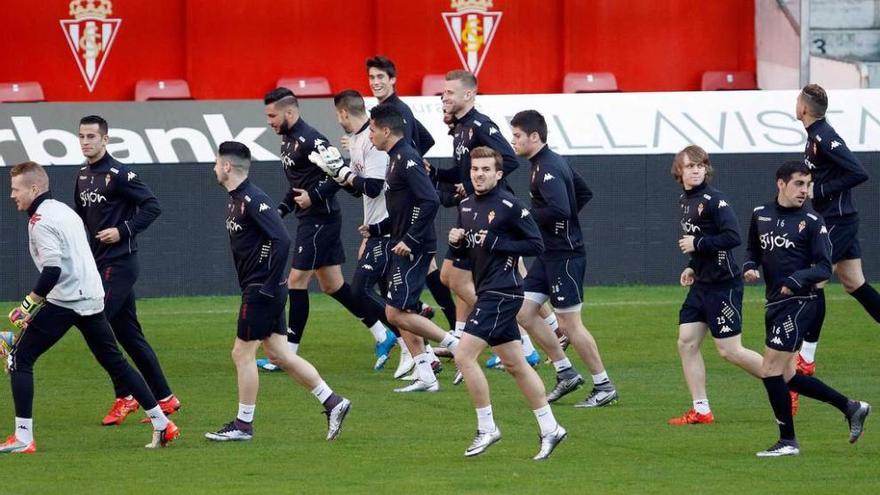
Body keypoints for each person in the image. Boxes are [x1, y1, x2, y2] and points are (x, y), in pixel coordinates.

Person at [2, 161, 178, 453]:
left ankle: (23, 438)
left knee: (20, 359)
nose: (12, 195)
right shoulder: (62, 210)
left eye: (15, 189)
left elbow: (52, 271)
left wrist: (27, 306)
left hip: (67, 299)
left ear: (33, 189)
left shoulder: (40, 222)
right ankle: (162, 424)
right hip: (92, 296)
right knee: (116, 362)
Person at [205, 142, 351, 442]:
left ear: (227, 167)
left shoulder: (252, 199)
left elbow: (281, 239)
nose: (214, 168)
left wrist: (268, 283)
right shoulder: (236, 199)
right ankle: (333, 401)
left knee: (241, 353)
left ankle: (243, 425)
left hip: (262, 290)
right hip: (262, 288)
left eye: (217, 163)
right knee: (280, 354)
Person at [743, 161, 870, 457]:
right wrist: (750, 267)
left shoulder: (813, 221)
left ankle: (788, 441)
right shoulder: (760, 215)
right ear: (781, 183)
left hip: (802, 304)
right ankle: (851, 407)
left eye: (808, 184)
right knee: (787, 375)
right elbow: (753, 250)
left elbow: (824, 267)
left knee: (769, 370)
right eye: (799, 184)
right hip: (775, 302)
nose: (805, 191)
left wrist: (796, 279)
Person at [449, 146, 567, 460]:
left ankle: (487, 428)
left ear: (499, 174)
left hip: (503, 291)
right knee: (515, 364)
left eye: (486, 169)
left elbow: (536, 244)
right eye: (475, 169)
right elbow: (468, 255)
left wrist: (498, 242)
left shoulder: (510, 206)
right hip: (487, 289)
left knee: (463, 356)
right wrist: (457, 245)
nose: (479, 174)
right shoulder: (465, 206)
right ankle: (551, 428)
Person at [263, 87, 389, 367]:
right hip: (312, 218)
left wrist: (314, 196)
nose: (270, 121)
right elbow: (297, 184)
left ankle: (288, 354)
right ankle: (382, 334)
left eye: (273, 115)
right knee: (333, 285)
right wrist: (280, 211)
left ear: (290, 112)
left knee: (296, 280)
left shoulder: (311, 138)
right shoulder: (287, 141)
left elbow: (340, 173)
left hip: (322, 218)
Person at [509, 110, 619, 407]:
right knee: (523, 312)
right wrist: (560, 225)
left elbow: (561, 209)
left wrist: (527, 216)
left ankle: (603, 385)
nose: (513, 141)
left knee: (570, 324)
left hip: (565, 256)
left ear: (535, 136)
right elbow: (582, 193)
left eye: (517, 136)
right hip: (550, 253)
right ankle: (565, 372)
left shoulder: (547, 167)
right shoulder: (549, 162)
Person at [75, 115, 179, 426]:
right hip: (98, 264)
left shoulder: (119, 174)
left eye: (92, 136)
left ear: (105, 140)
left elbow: (152, 206)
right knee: (130, 336)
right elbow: (82, 221)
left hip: (119, 263)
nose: (85, 142)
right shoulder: (82, 176)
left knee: (96, 326)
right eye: (81, 136)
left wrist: (123, 230)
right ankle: (165, 397)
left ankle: (126, 395)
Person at [350, 103, 460, 392]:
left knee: (395, 313)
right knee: (401, 309)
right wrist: (376, 230)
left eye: (372, 130)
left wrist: (409, 239)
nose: (369, 135)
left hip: (414, 248)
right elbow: (404, 208)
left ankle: (454, 344)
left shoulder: (407, 159)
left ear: (386, 131)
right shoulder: (394, 158)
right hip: (400, 243)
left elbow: (429, 201)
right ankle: (425, 372)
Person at [366, 55, 459, 357]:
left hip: (412, 220)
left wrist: (411, 166)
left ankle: (448, 339)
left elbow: (428, 196)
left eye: (382, 77)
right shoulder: (393, 129)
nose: (376, 82)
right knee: (425, 280)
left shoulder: (398, 114)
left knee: (401, 303)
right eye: (372, 77)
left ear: (393, 80)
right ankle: (433, 348)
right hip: (404, 215)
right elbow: (427, 138)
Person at [668, 145, 764, 425]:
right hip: (702, 284)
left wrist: (697, 243)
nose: (696, 170)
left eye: (700, 165)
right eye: (690, 166)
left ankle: (787, 381)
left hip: (724, 284)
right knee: (686, 342)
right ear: (679, 171)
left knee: (730, 351)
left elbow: (732, 236)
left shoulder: (714, 200)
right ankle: (701, 409)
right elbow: (701, 244)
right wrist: (692, 266)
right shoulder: (685, 201)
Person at [795, 84, 877, 377]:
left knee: (814, 281)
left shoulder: (825, 137)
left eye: (797, 101)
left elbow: (858, 172)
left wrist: (821, 190)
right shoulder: (813, 136)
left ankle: (806, 356)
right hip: (838, 218)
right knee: (854, 283)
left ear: (803, 108)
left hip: (838, 220)